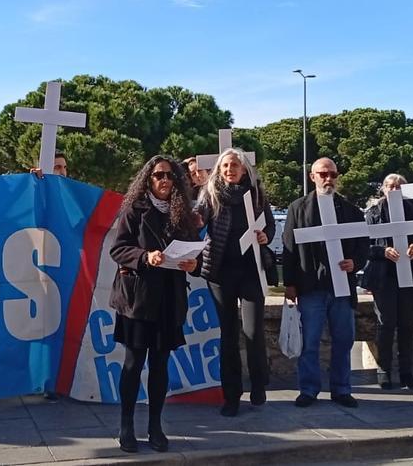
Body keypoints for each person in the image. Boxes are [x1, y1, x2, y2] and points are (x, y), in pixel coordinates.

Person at [109, 156, 198, 453]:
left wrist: (192, 264)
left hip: (169, 300)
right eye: (159, 175)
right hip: (138, 298)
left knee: (160, 365)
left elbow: (194, 250)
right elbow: (118, 248)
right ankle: (126, 426)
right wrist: (145, 257)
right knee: (133, 364)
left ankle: (155, 426)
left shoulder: (181, 212)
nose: (165, 180)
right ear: (148, 179)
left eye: (171, 176)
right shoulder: (134, 209)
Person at [281, 158, 369, 407]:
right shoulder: (297, 208)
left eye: (332, 174)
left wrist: (355, 262)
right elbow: (289, 247)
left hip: (341, 287)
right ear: (312, 176)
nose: (328, 179)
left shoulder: (350, 210)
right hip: (311, 287)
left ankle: (341, 389)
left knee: (344, 340)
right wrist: (290, 284)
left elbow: (363, 244)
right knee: (309, 342)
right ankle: (308, 389)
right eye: (323, 174)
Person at [197, 148, 275, 416]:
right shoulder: (211, 195)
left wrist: (265, 236)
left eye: (235, 165)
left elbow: (269, 226)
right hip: (220, 272)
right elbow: (196, 219)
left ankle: (258, 384)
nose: (230, 170)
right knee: (228, 335)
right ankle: (231, 396)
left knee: (253, 332)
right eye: (226, 166)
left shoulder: (256, 194)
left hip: (251, 271)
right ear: (219, 169)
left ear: (244, 169)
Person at [361, 173, 413, 391]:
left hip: (408, 275)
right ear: (383, 189)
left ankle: (407, 372)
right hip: (384, 277)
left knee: (407, 325)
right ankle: (384, 371)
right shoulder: (373, 213)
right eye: (390, 186)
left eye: (399, 186)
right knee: (386, 324)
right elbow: (363, 246)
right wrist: (382, 251)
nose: (394, 189)